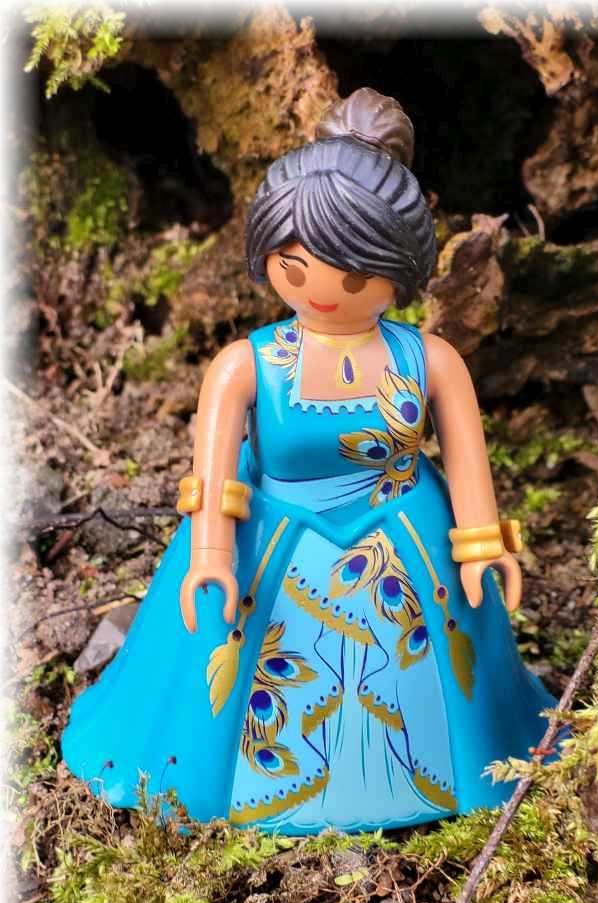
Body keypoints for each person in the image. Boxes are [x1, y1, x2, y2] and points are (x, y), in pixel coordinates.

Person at [62, 88, 557, 834]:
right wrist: (210, 554)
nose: (322, 291)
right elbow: (214, 478)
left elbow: (467, 458)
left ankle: (440, 768)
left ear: (398, 269)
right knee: (219, 670)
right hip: (273, 536)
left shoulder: (430, 360)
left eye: (354, 278)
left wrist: (484, 544)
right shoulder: (246, 365)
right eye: (293, 267)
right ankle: (233, 781)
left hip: (405, 530)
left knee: (452, 664)